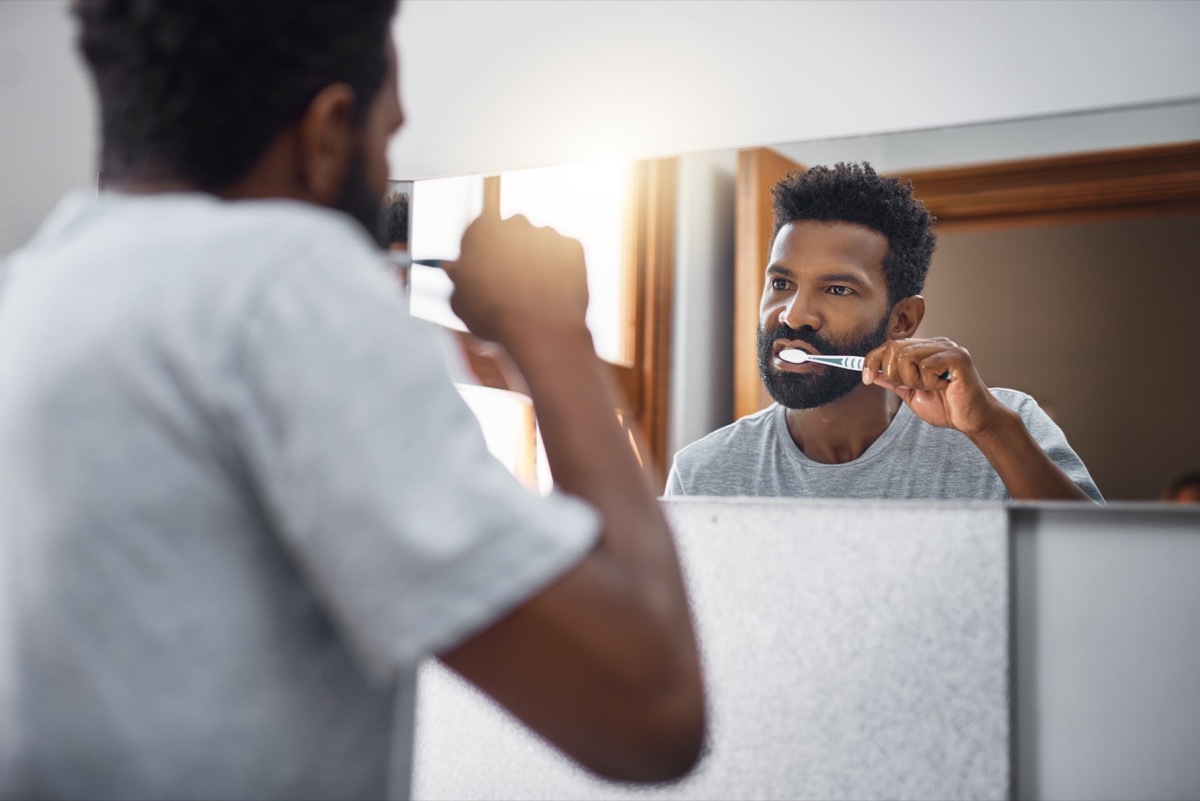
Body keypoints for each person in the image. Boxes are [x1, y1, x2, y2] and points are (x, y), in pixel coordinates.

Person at [0, 2, 704, 799]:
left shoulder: (28, 294)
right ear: (329, 128)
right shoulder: (285, 281)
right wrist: (551, 332)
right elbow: (653, 710)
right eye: (387, 131)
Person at [666, 162, 1102, 502]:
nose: (794, 316)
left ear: (904, 321)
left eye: (837, 289)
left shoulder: (1003, 425)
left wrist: (991, 431)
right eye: (781, 284)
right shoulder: (702, 473)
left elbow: (1103, 566)